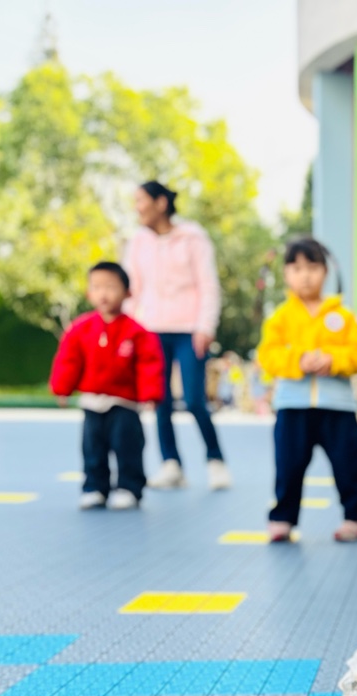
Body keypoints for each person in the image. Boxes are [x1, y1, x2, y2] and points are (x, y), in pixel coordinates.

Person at [256, 238, 357, 543]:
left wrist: (333, 360)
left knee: (348, 465)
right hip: (292, 406)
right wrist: (298, 360)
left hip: (338, 407)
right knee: (288, 466)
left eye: (312, 267)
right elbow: (267, 355)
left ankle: (356, 517)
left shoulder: (342, 315)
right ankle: (282, 518)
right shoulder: (280, 316)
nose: (305, 275)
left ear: (325, 271)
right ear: (285, 274)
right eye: (296, 269)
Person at [124, 180, 230, 491]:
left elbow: (207, 284)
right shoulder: (138, 242)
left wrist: (205, 326)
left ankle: (216, 461)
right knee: (160, 401)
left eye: (141, 200)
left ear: (160, 203)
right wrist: (129, 331)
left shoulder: (193, 237)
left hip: (189, 330)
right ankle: (171, 465)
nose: (137, 208)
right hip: (152, 330)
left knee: (195, 399)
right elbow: (132, 289)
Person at [49, 262, 164, 510]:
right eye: (97, 287)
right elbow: (69, 360)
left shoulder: (136, 331)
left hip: (124, 402)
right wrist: (62, 388)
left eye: (111, 287)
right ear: (88, 293)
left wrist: (150, 394)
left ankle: (129, 487)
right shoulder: (81, 329)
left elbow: (149, 363)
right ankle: (94, 487)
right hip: (92, 402)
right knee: (92, 448)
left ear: (127, 292)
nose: (103, 293)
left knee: (128, 446)